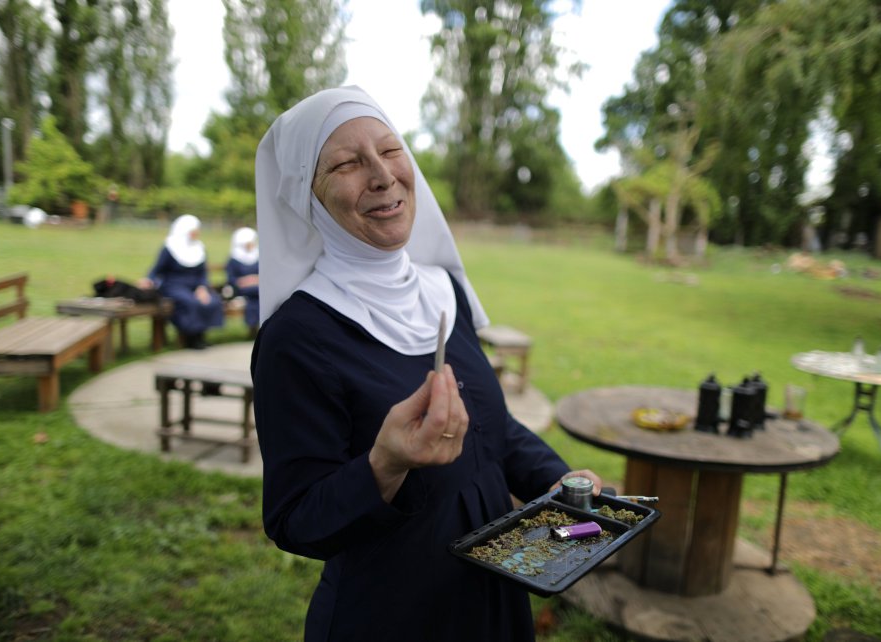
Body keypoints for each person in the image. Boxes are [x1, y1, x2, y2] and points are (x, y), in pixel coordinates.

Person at [252, 86, 602, 642]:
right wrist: (384, 465)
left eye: (391, 152)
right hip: (395, 614)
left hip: (498, 589)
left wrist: (556, 480)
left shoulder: (443, 291)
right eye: (346, 162)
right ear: (307, 195)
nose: (382, 175)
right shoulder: (298, 337)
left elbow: (493, 429)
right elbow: (295, 521)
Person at [140, 214, 223, 349]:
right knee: (189, 302)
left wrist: (202, 288)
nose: (198, 233)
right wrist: (148, 279)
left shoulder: (199, 248)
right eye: (195, 231)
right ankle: (191, 338)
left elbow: (203, 273)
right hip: (174, 285)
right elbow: (157, 269)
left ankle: (200, 336)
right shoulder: (170, 247)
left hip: (196, 285)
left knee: (212, 300)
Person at [224, 226, 260, 335]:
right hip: (241, 289)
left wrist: (255, 279)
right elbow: (231, 279)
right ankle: (253, 327)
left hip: (257, 288)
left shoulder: (258, 256)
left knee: (257, 293)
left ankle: (254, 327)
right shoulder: (233, 260)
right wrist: (244, 281)